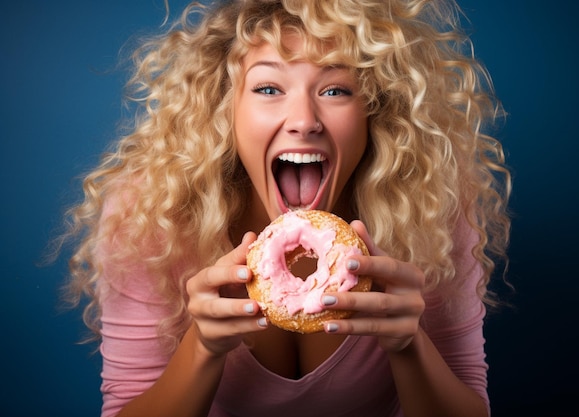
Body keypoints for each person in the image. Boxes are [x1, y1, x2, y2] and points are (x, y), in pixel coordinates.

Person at [63, 0, 511, 416]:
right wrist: (202, 347)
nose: (304, 120)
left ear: (376, 109)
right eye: (269, 87)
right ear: (226, 108)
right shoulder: (151, 212)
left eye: (336, 90)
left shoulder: (432, 207)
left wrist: (409, 346)